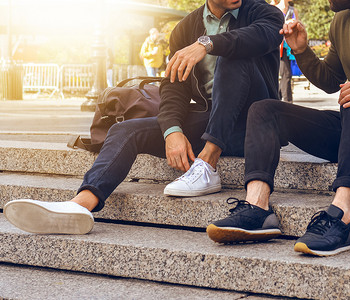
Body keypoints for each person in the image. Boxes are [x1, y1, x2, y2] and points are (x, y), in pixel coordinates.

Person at [3, 0, 284, 235]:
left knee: (231, 53)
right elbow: (174, 86)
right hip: (211, 119)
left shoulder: (264, 13)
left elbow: (260, 37)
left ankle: (207, 163)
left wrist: (207, 43)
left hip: (255, 124)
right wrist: (172, 130)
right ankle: (80, 204)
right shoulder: (185, 27)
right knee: (126, 130)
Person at [207, 0, 350, 256]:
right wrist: (302, 51)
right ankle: (257, 208)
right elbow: (330, 80)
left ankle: (340, 215)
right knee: (264, 110)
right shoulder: (341, 21)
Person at [271, 0, 299, 103]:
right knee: (286, 74)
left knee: (286, 74)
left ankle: (277, 98)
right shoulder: (274, 8)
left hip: (290, 48)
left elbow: (297, 26)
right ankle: (288, 102)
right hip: (279, 46)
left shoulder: (293, 10)